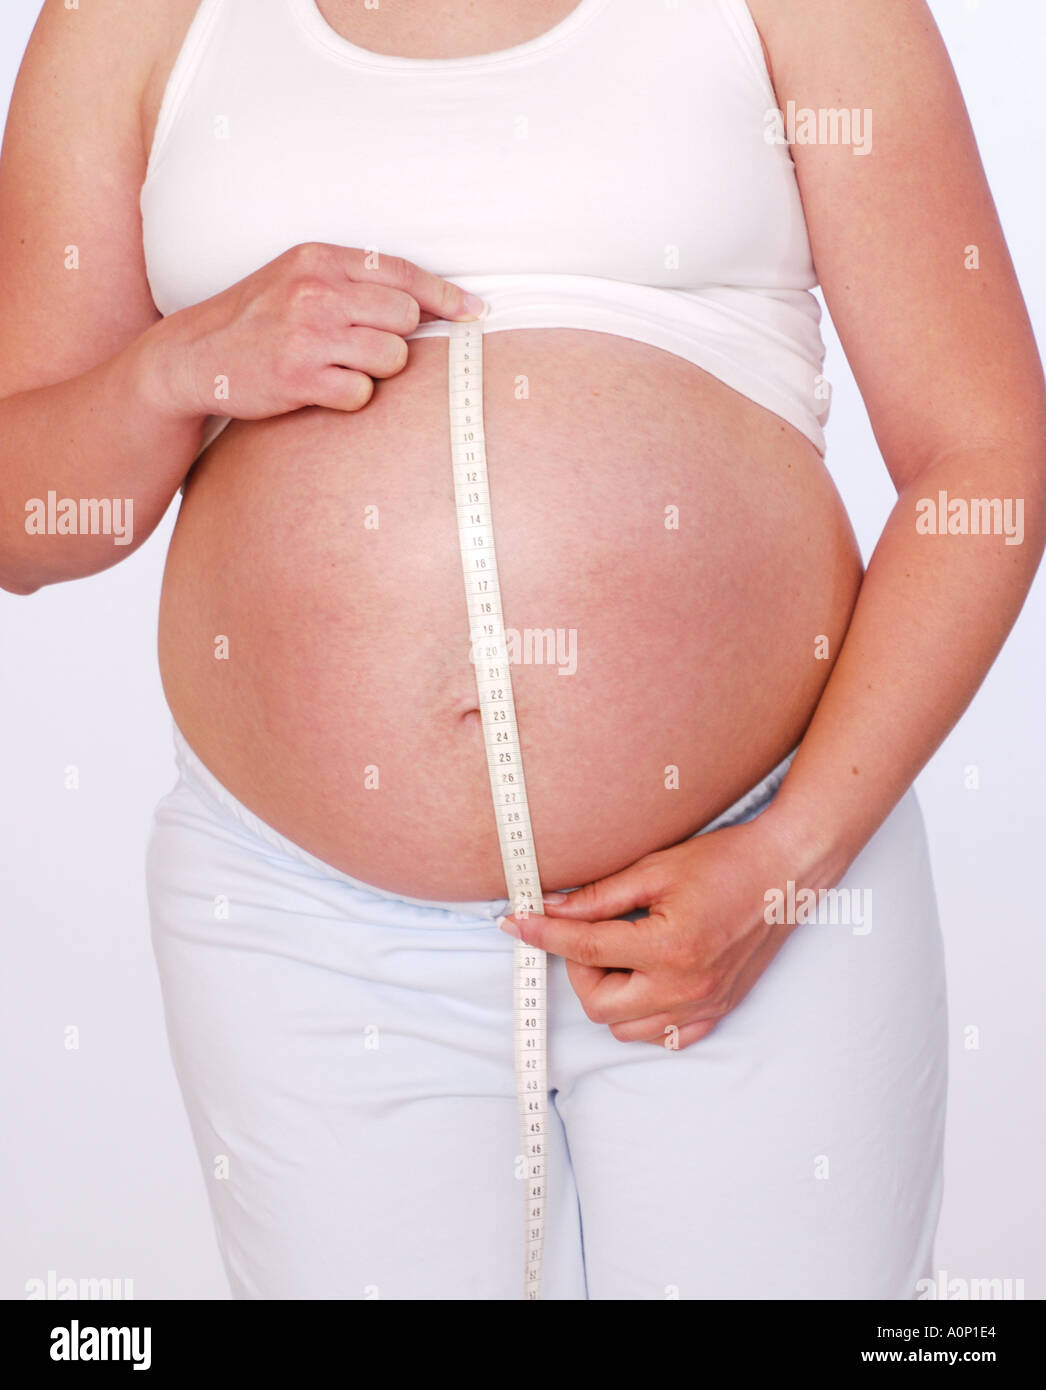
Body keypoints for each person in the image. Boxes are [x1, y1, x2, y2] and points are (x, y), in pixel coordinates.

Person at [1, 0, 1042, 1300]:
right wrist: (168, 370)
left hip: (762, 873)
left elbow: (981, 456)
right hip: (301, 923)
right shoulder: (128, 23)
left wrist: (786, 860)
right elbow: (25, 524)